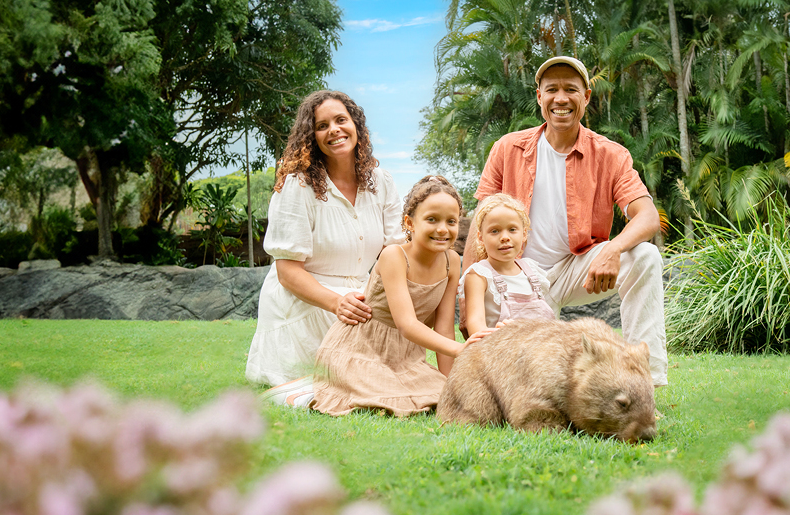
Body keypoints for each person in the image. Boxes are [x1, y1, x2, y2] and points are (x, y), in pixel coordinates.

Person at [465, 55, 670, 387]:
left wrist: (613, 249)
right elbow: (480, 223)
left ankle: (645, 381)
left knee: (645, 256)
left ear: (586, 97)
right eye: (552, 90)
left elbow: (647, 216)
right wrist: (467, 292)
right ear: (539, 97)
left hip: (579, 271)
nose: (561, 99)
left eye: (571, 90)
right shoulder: (507, 148)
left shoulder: (611, 155)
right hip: (517, 276)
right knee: (523, 382)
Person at [272, 176, 484, 415]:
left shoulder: (452, 261)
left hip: (405, 357)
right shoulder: (394, 256)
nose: (443, 229)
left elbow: (444, 328)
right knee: (383, 399)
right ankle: (300, 393)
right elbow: (407, 325)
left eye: (451, 221)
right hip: (361, 350)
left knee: (436, 395)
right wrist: (459, 349)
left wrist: (450, 384)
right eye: (432, 219)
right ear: (410, 223)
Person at [245, 90, 403, 388]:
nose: (334, 130)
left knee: (393, 369)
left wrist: (382, 300)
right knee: (349, 383)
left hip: (360, 295)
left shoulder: (381, 182)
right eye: (322, 126)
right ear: (311, 137)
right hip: (308, 299)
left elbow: (394, 252)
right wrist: (337, 302)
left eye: (341, 120)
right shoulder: (297, 185)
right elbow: (287, 272)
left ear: (356, 125)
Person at [458, 192, 554, 337]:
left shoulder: (532, 271)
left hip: (541, 348)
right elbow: (475, 326)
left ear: (524, 234)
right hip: (500, 347)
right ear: (481, 238)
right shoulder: (479, 275)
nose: (504, 237)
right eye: (495, 231)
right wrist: (498, 333)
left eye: (512, 229)